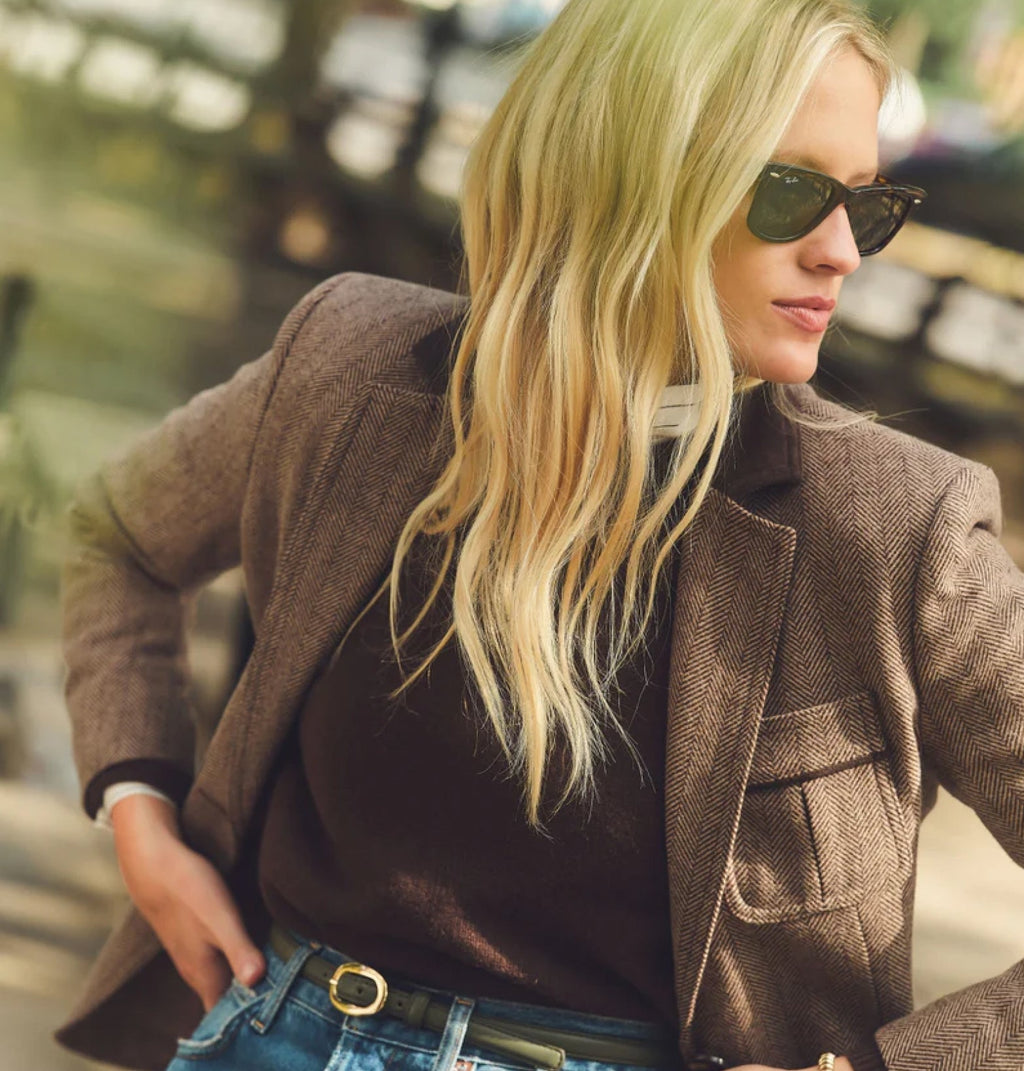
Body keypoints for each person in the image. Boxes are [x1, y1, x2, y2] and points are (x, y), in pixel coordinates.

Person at [52, 0, 1024, 1069]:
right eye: (791, 193)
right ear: (628, 178)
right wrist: (141, 812)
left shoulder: (896, 529)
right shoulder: (352, 368)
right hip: (278, 1028)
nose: (843, 251)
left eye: (866, 204)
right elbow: (115, 533)